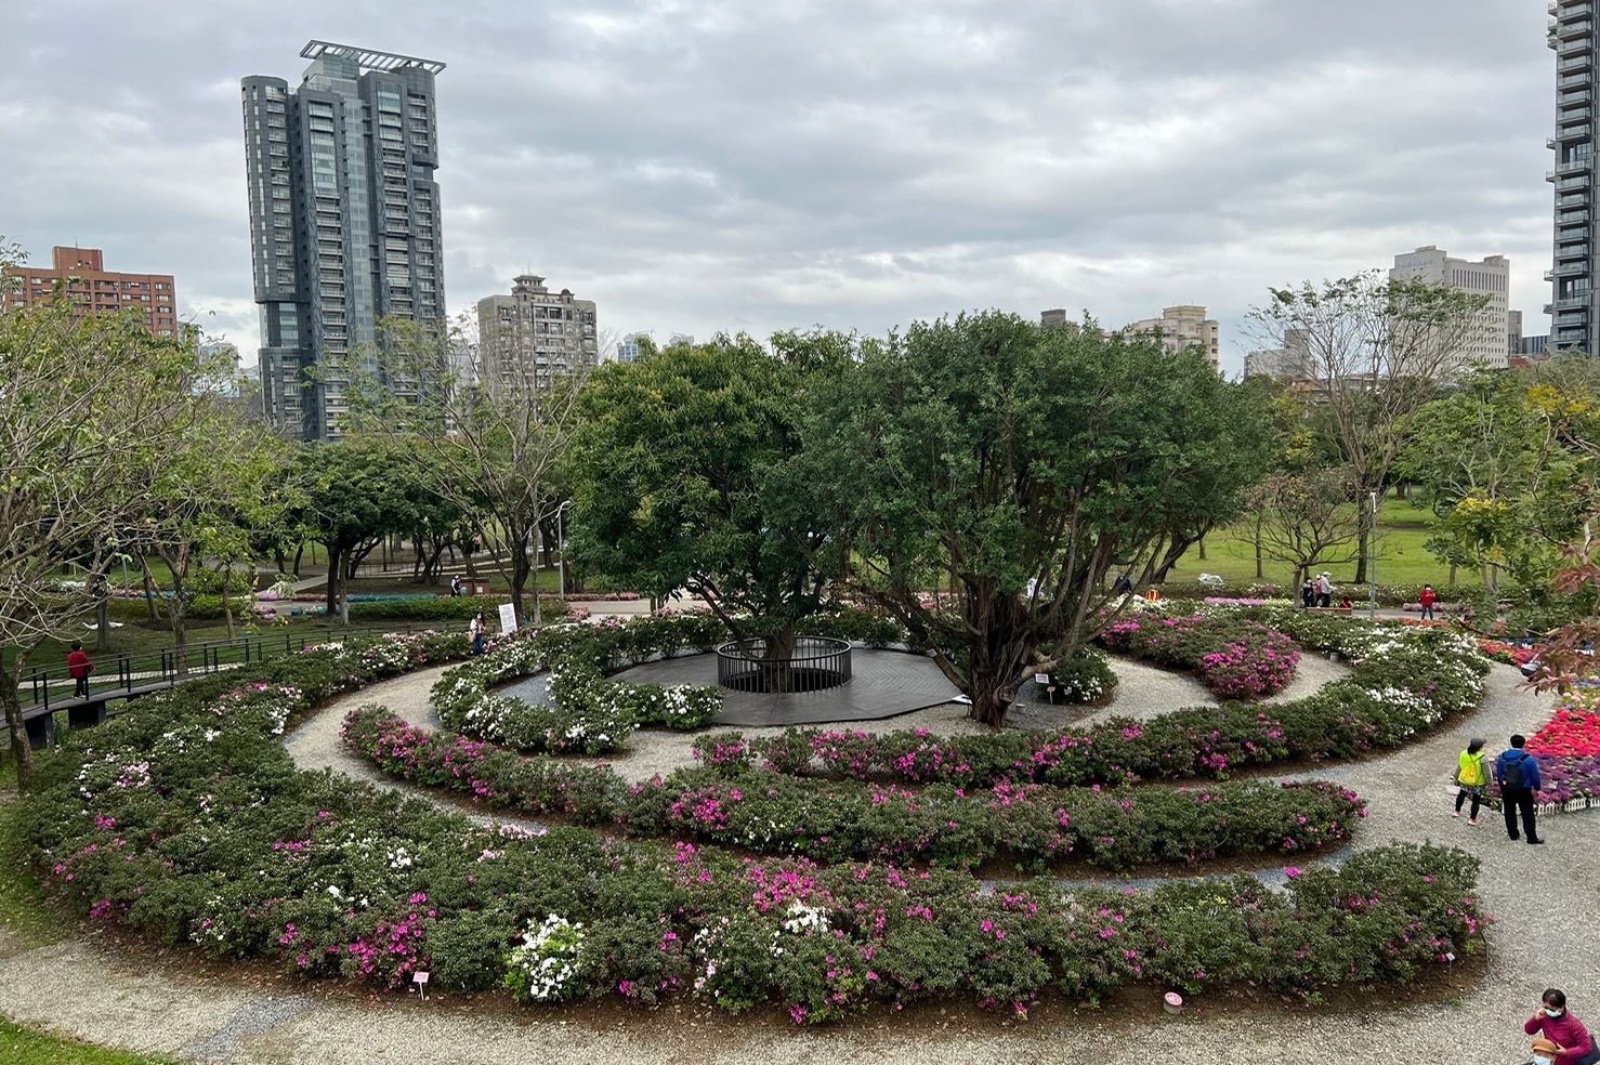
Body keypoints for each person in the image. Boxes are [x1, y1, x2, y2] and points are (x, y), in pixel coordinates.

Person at [1495, 733, 1544, 844]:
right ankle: (1531, 837)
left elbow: (1499, 773)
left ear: (1511, 743)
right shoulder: (1528, 759)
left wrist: (1503, 786)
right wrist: (1537, 789)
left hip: (1508, 788)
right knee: (1527, 813)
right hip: (1523, 790)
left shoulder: (1503, 757)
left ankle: (1513, 834)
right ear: (1523, 744)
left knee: (1509, 811)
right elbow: (1535, 776)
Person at [1525, 989, 1595, 1065]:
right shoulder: (1544, 1016)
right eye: (1545, 1007)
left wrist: (1566, 1052)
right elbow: (1529, 1030)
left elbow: (1587, 1047)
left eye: (1551, 1009)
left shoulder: (1574, 1025)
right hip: (1550, 1058)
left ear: (1561, 1008)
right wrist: (1535, 1019)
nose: (1547, 1011)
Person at [1453, 738, 1488, 825]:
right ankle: (1472, 819)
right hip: (1477, 783)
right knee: (1476, 800)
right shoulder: (1482, 758)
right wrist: (1490, 783)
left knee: (1461, 794)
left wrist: (1456, 777)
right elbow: (1487, 772)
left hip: (1464, 780)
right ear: (1480, 747)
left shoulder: (1463, 753)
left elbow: (1460, 766)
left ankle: (1457, 811)